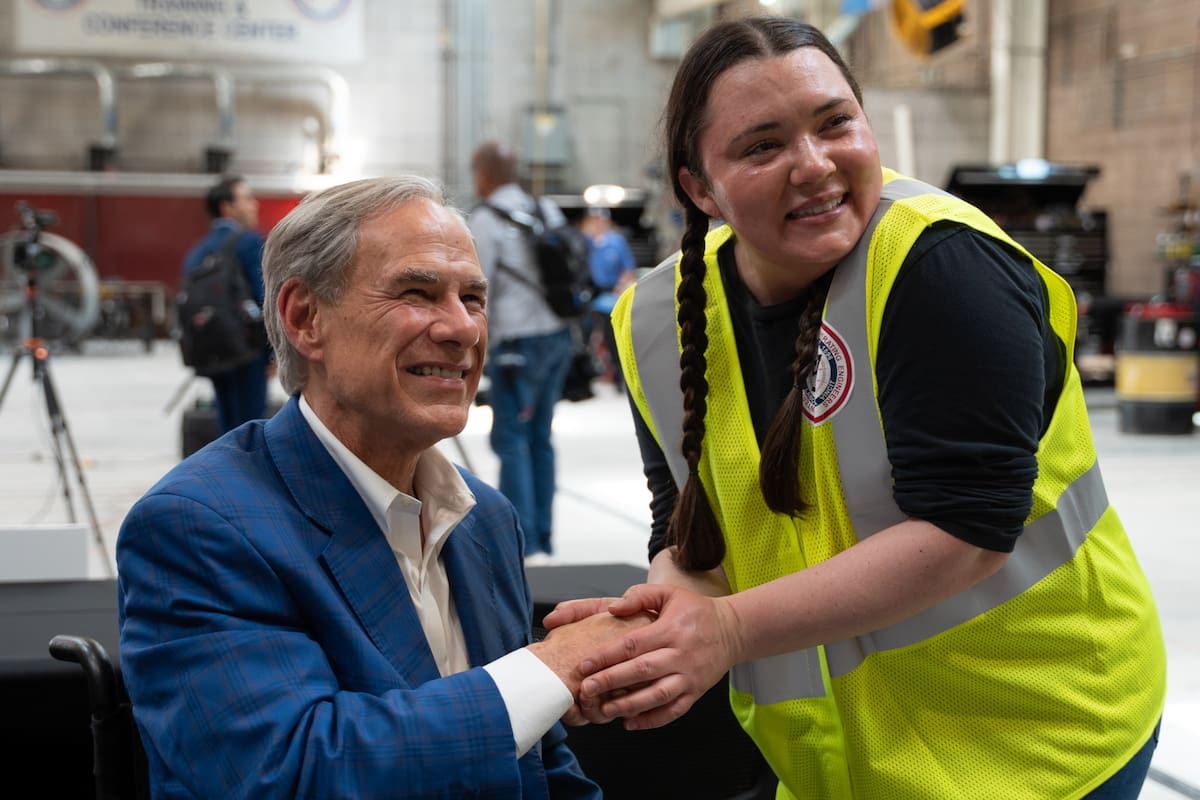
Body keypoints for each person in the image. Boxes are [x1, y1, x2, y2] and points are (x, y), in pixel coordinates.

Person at [545, 16, 1167, 800]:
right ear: (698, 187)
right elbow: (690, 528)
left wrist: (728, 630)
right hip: (845, 759)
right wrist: (667, 614)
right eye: (762, 146)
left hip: (1037, 736)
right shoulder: (656, 321)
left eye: (836, 123)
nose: (814, 165)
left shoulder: (941, 270)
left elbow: (967, 531)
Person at [117, 175, 651, 798]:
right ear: (305, 317)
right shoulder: (200, 528)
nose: (462, 329)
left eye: (473, 299)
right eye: (418, 293)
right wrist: (551, 665)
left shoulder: (484, 521)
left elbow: (540, 768)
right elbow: (290, 775)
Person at [468, 141, 573, 563]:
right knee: (540, 437)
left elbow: (479, 286)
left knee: (511, 438)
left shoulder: (485, 219)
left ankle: (522, 543)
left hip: (517, 344)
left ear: (483, 175)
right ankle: (543, 537)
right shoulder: (547, 209)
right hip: (557, 337)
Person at [181, 174, 271, 434]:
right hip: (247, 350)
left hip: (212, 349)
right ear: (227, 207)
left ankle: (228, 471)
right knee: (253, 427)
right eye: (247, 199)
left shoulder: (198, 251)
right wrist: (274, 352)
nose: (255, 204)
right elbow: (265, 296)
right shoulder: (248, 242)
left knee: (228, 425)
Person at [580, 207, 637, 391]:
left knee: (611, 333)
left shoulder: (616, 242)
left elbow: (628, 268)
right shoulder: (585, 242)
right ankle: (587, 372)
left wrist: (619, 288)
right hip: (589, 294)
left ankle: (620, 375)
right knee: (584, 332)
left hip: (610, 293)